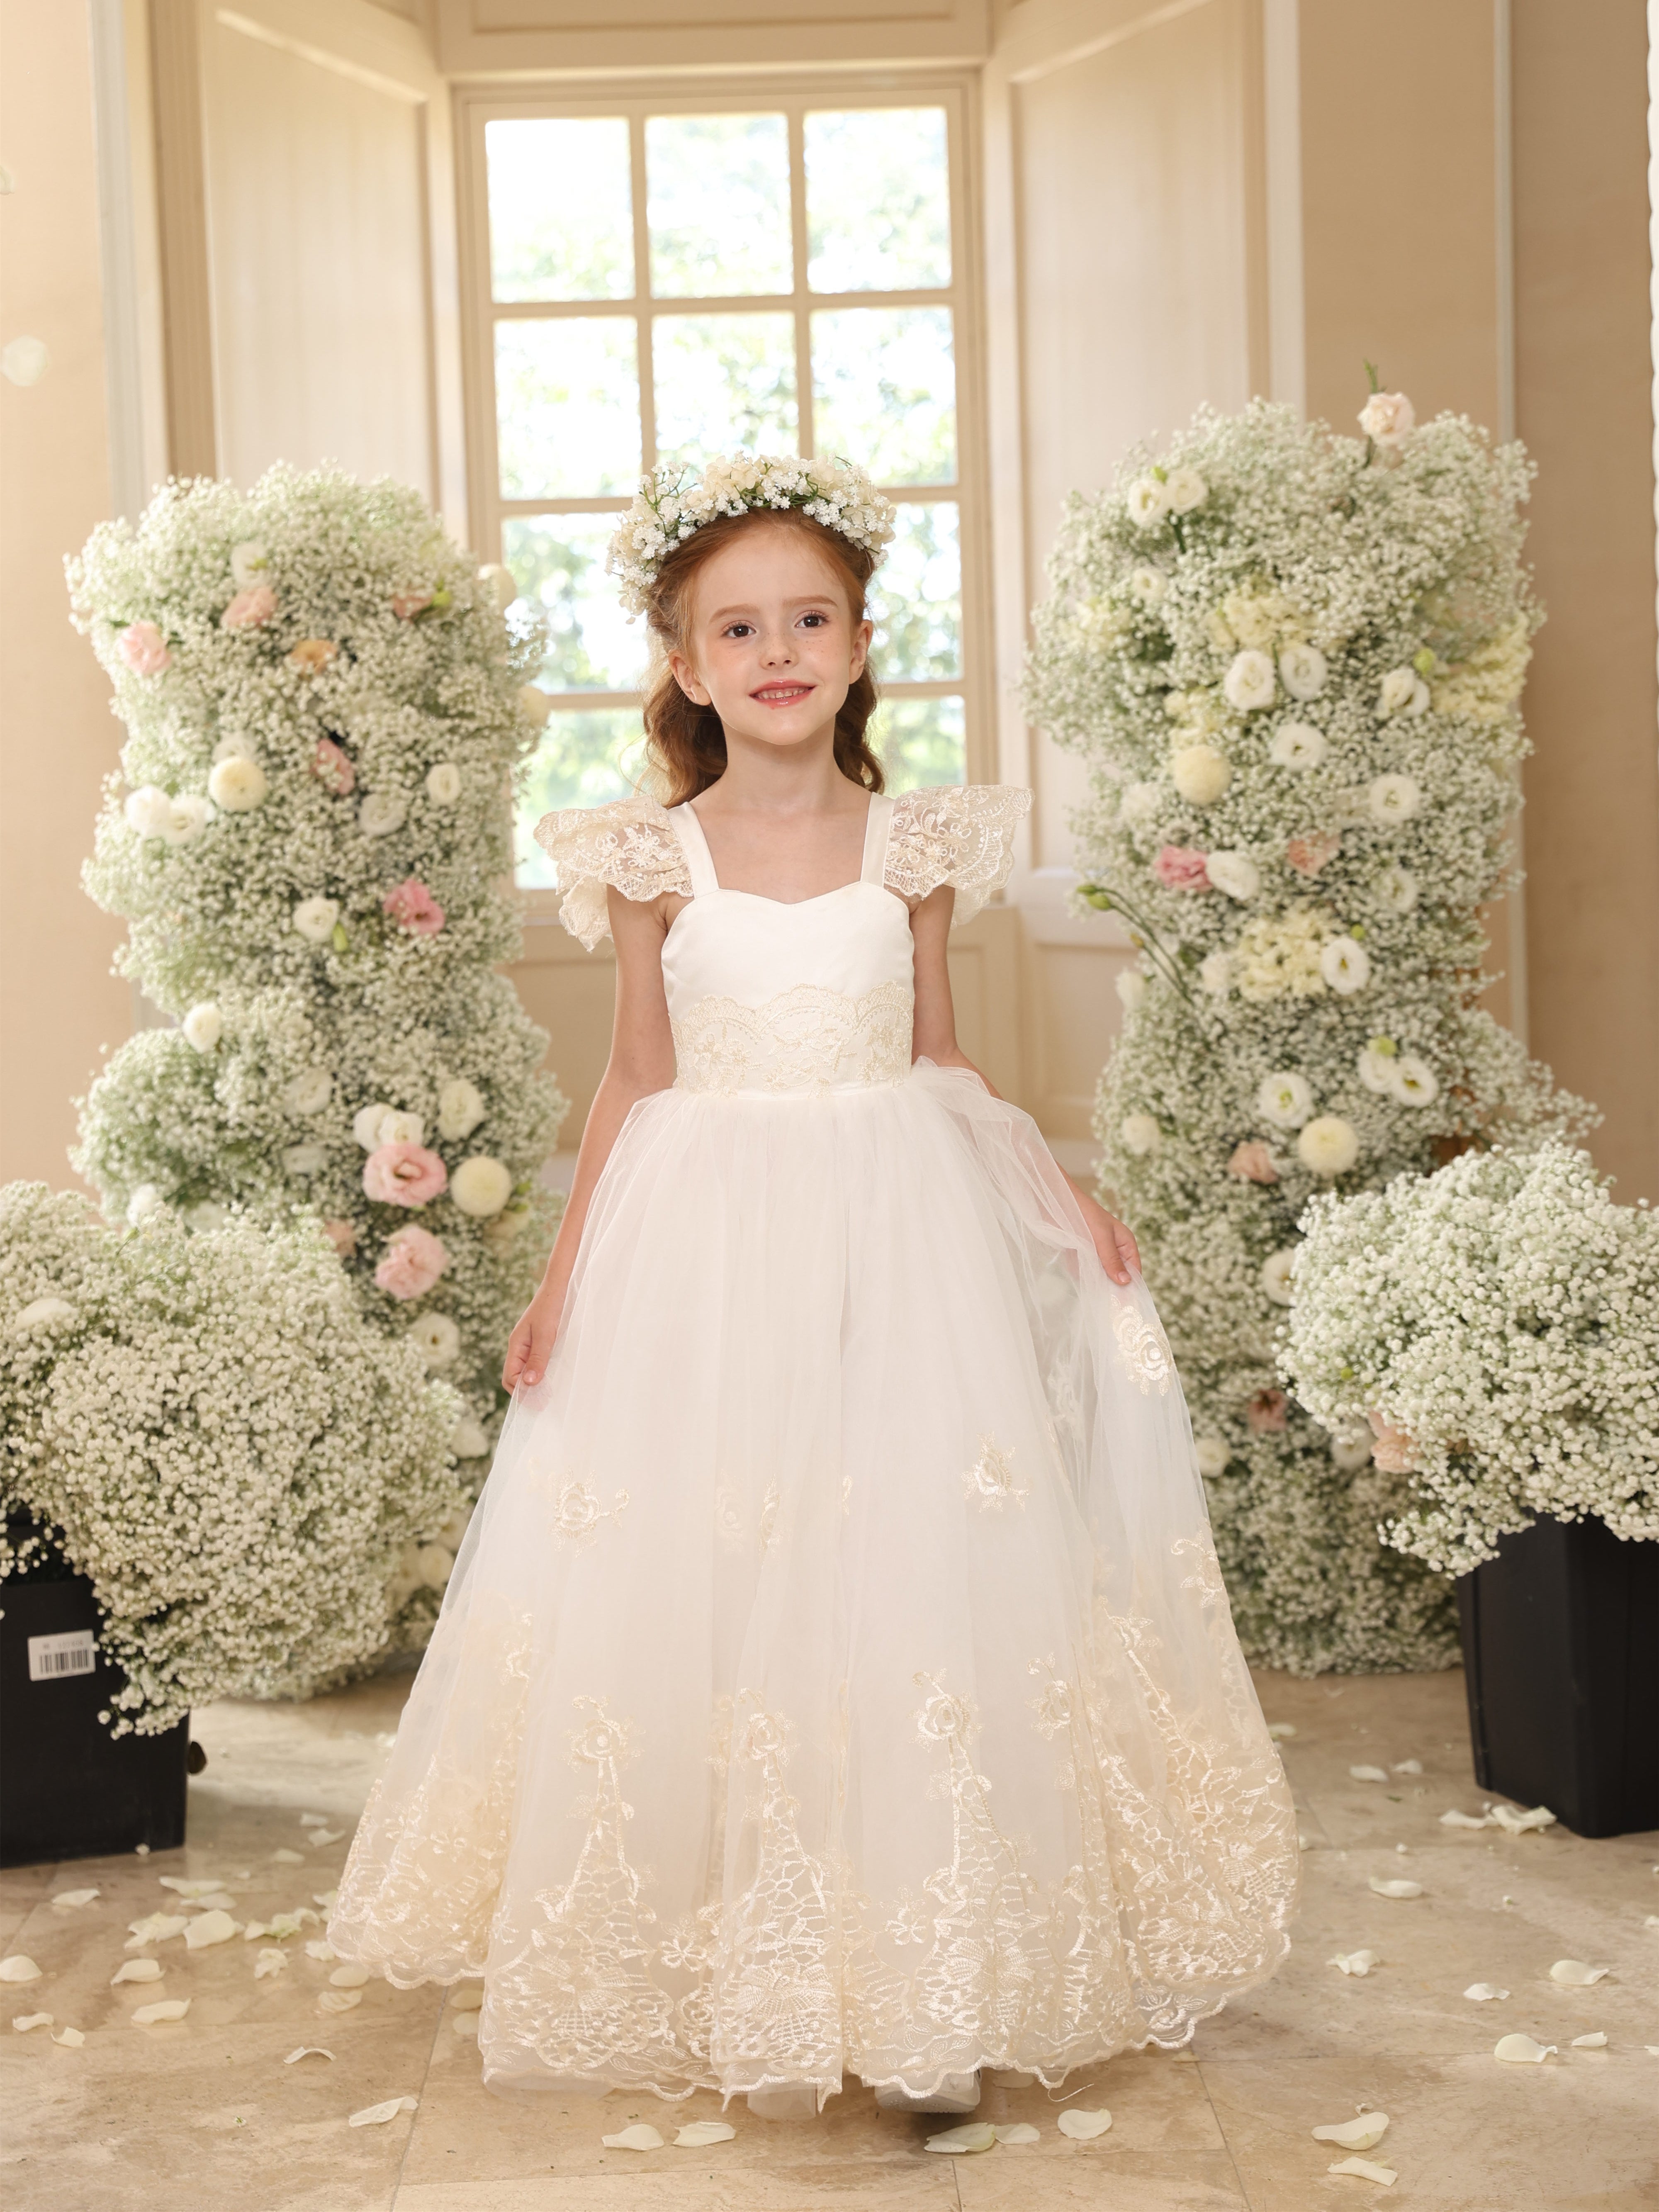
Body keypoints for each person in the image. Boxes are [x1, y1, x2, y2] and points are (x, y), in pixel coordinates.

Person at [328, 455, 1299, 2121]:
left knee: (898, 1568)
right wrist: (561, 1283)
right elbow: (632, 1079)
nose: (777, 649)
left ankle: (920, 1983)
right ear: (688, 664)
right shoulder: (650, 857)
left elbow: (939, 1048)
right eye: (737, 626)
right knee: (721, 1568)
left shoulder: (913, 843)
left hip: (894, 1229)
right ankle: (739, 1960)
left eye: (810, 617)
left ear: (858, 646)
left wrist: (1051, 1186)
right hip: (701, 1249)